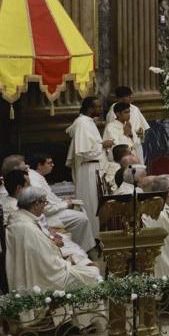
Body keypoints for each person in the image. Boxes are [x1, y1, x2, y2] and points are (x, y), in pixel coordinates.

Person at [5, 187, 102, 326]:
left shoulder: (20, 217)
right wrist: (68, 261)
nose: (45, 206)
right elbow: (48, 264)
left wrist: (52, 244)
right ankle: (82, 323)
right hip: (46, 278)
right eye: (44, 202)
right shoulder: (27, 228)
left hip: (43, 270)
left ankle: (73, 320)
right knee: (92, 273)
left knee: (81, 261)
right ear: (35, 204)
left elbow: (41, 252)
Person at [26, 153, 94, 252]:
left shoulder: (38, 177)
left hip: (52, 210)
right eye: (49, 163)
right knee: (81, 218)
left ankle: (80, 249)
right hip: (46, 216)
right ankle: (81, 250)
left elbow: (50, 198)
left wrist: (63, 201)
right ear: (40, 165)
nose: (53, 165)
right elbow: (45, 207)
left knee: (80, 210)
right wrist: (65, 204)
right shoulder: (34, 180)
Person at [65, 97, 110, 237]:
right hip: (89, 169)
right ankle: (93, 237)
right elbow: (85, 151)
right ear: (90, 108)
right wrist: (103, 145)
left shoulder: (88, 122)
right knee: (91, 204)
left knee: (95, 203)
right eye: (98, 107)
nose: (101, 109)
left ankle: (97, 235)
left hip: (94, 168)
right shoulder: (82, 123)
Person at [106, 86, 149, 161]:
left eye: (130, 95)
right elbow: (113, 131)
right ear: (120, 99)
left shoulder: (135, 109)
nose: (131, 97)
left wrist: (139, 138)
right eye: (128, 96)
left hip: (136, 146)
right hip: (122, 149)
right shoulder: (114, 111)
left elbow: (141, 127)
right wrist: (126, 135)